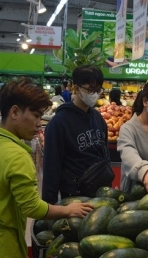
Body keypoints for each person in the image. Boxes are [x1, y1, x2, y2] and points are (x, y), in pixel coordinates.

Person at [0, 78, 93, 258]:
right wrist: (68, 209)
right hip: (4, 247)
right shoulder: (18, 156)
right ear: (15, 112)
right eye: (36, 115)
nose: (39, 123)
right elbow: (32, 208)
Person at [42, 65, 110, 204]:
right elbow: (52, 166)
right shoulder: (59, 123)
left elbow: (105, 152)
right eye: (90, 90)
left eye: (98, 90)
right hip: (74, 195)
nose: (95, 94)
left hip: (100, 191)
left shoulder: (97, 118)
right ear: (76, 88)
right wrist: (48, 209)